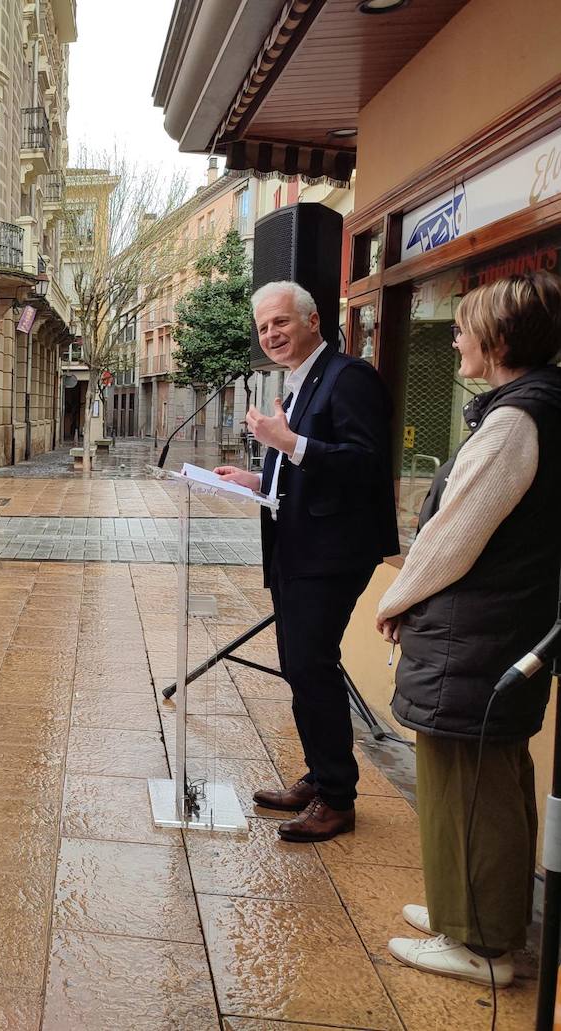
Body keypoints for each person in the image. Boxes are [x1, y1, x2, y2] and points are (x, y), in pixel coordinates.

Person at [375, 272, 561, 987]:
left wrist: (398, 596)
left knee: (467, 789)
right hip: (497, 632)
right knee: (494, 779)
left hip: (475, 635)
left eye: (464, 326)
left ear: (501, 340)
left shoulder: (517, 420)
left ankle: (480, 943)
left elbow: (456, 533)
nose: (454, 337)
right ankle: (476, 912)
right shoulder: (534, 407)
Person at [215, 280, 398, 843]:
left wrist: (284, 442)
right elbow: (304, 467)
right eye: (264, 326)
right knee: (298, 666)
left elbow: (364, 465)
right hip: (296, 547)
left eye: (281, 323)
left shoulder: (350, 377)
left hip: (331, 552)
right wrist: (256, 478)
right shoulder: (298, 383)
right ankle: (320, 777)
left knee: (313, 665)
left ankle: (337, 798)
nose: (271, 334)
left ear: (313, 321)